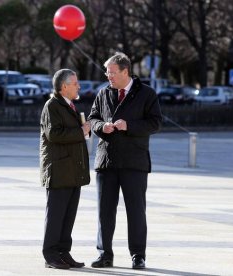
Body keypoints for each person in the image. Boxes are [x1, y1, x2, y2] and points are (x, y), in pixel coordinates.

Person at [88, 52, 162, 269]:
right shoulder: (103, 93)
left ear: (125, 71)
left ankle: (138, 255)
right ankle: (104, 254)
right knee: (105, 211)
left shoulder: (146, 94)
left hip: (134, 161)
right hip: (107, 161)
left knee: (136, 211)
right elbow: (93, 118)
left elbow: (155, 123)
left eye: (111, 72)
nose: (108, 75)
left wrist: (128, 126)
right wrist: (102, 127)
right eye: (107, 72)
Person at [40, 69, 91, 269]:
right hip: (59, 170)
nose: (79, 86)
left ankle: (63, 251)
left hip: (72, 171)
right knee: (56, 216)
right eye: (75, 83)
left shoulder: (68, 105)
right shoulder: (52, 106)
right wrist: (81, 131)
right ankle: (51, 254)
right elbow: (54, 135)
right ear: (64, 87)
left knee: (68, 215)